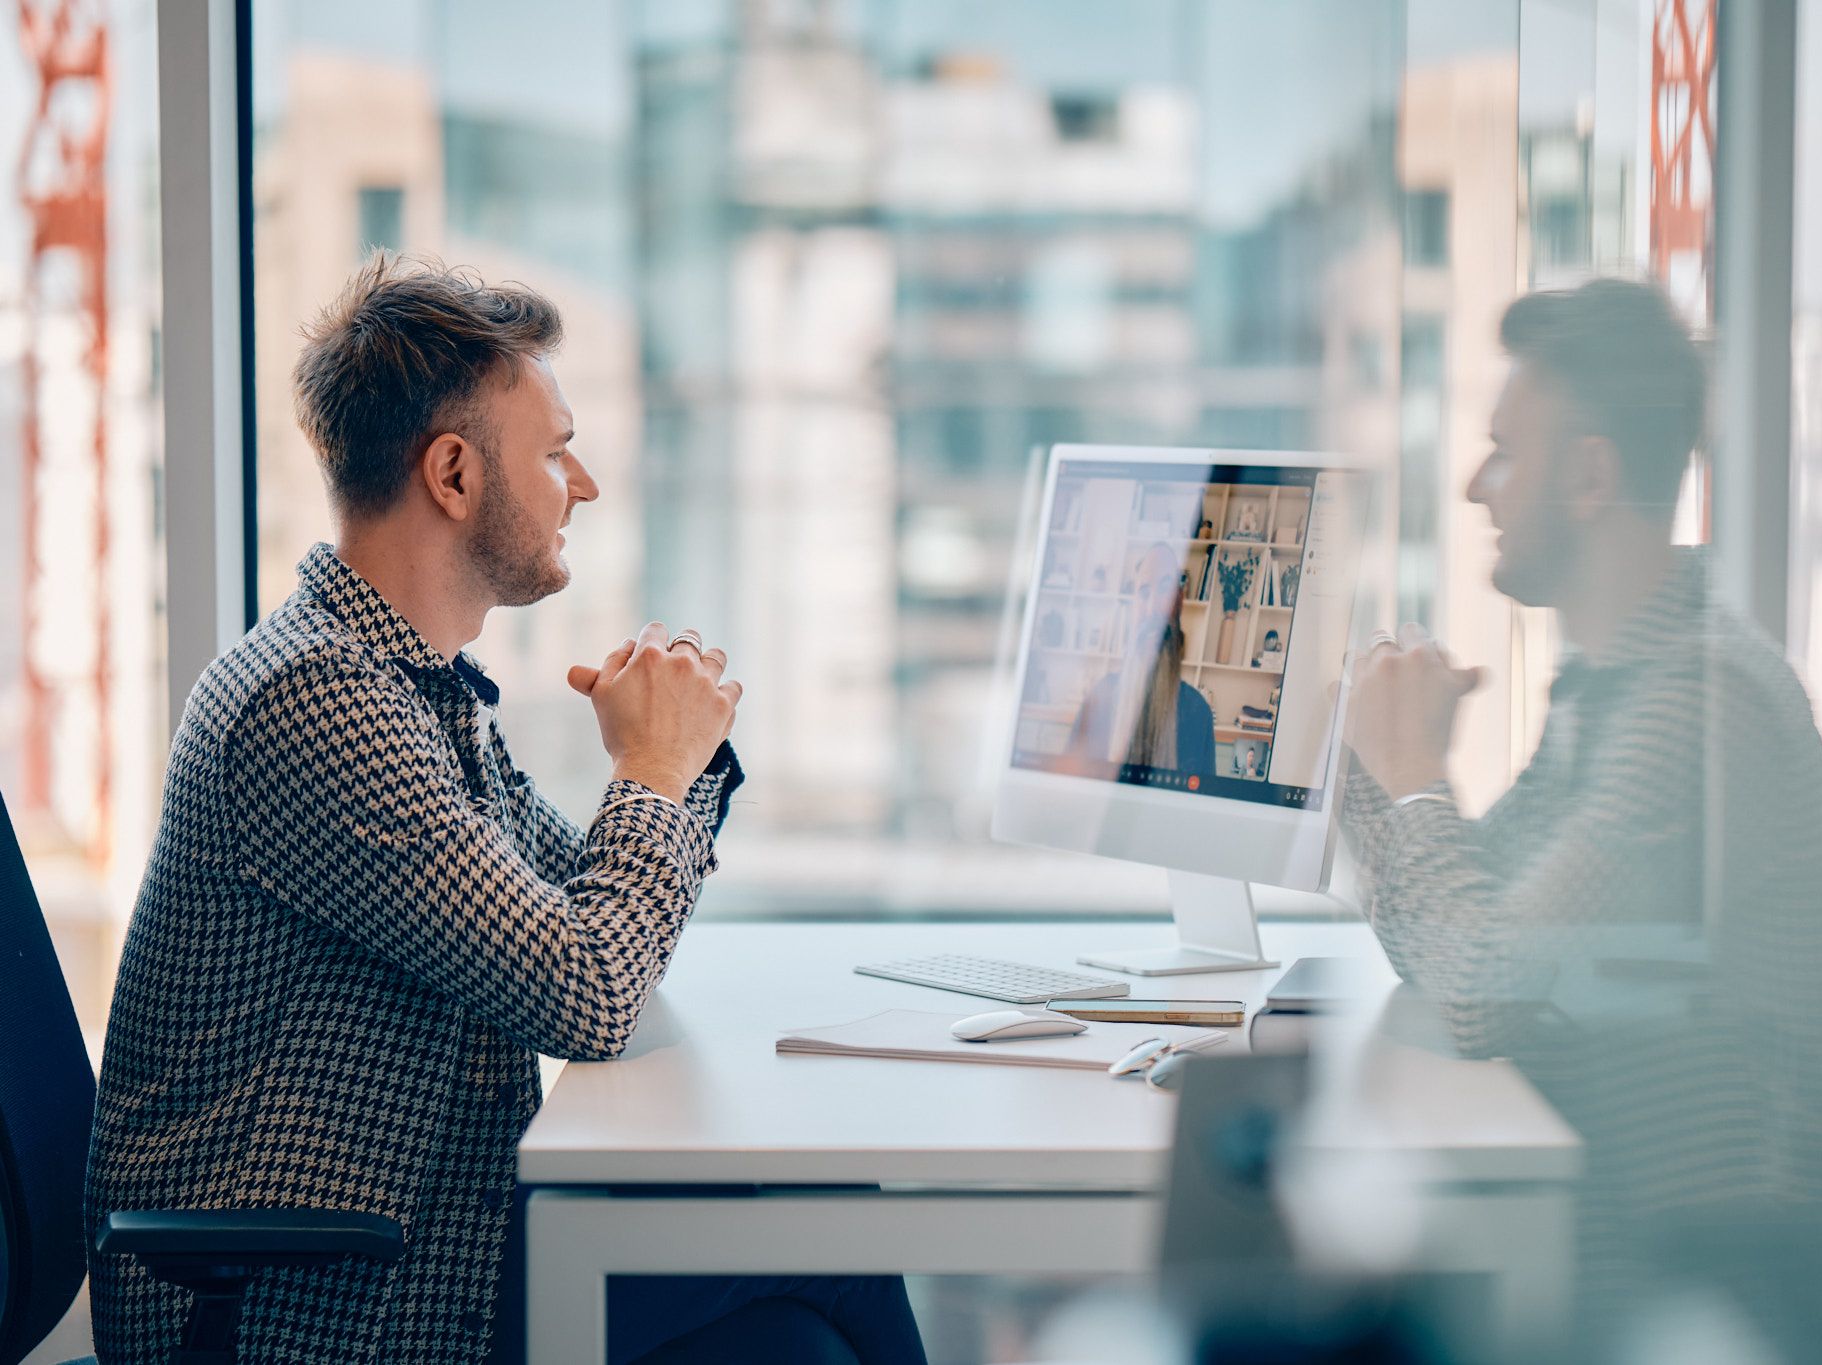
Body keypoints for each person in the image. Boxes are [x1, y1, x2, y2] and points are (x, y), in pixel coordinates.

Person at [83, 256, 926, 1364]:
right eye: (553, 451)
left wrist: (680, 762)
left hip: (414, 1237)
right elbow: (587, 992)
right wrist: (655, 775)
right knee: (833, 1238)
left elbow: (583, 918)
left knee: (791, 1323)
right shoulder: (319, 704)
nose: (581, 484)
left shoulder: (413, 688)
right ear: (453, 473)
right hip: (311, 1301)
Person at [1339, 279, 1822, 1357]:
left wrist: (1409, 774)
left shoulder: (1696, 709)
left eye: (1504, 451)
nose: (1474, 486)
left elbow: (1481, 993)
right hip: (1628, 1235)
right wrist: (1370, 772)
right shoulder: (1615, 687)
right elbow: (1451, 950)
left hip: (1722, 1295)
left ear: (1588, 474)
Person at [1067, 543, 1216, 776]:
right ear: (1133, 606)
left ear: (1179, 603)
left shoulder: (1199, 714)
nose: (1152, 608)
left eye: (1165, 591)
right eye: (1144, 593)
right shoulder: (1099, 701)